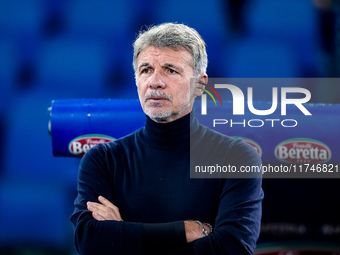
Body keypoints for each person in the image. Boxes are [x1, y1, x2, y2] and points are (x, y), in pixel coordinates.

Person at [70, 22, 263, 255]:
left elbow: (231, 250)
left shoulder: (236, 157)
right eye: (146, 70)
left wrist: (124, 236)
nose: (155, 81)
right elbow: (90, 242)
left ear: (200, 84)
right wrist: (183, 231)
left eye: (170, 70)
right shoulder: (102, 159)